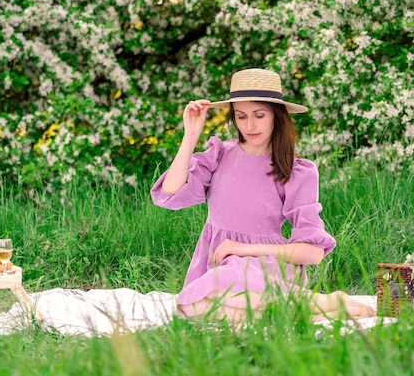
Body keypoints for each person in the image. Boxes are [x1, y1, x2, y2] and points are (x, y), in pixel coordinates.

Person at [151, 68, 375, 322]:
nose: (250, 125)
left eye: (259, 115)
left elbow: (312, 253)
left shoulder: (295, 171)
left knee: (213, 288)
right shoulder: (220, 154)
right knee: (190, 306)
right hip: (219, 265)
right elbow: (168, 195)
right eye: (241, 116)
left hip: (268, 265)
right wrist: (190, 136)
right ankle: (313, 313)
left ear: (276, 116)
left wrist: (244, 249)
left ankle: (319, 303)